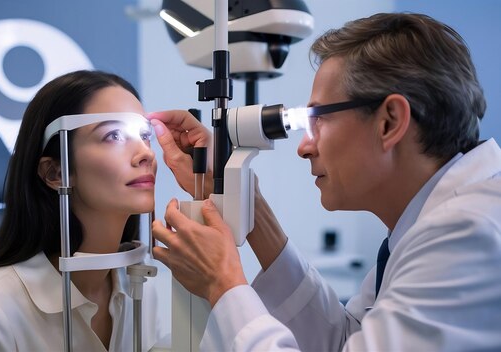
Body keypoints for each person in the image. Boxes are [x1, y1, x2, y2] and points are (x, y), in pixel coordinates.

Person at [149, 12, 501, 351]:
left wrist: (223, 283)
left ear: (390, 122)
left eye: (318, 119)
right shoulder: (429, 225)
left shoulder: (465, 233)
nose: (304, 147)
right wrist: (246, 198)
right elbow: (343, 340)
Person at [0, 70, 160, 351]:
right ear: (55, 172)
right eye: (114, 135)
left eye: (144, 135)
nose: (146, 154)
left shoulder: (141, 290)